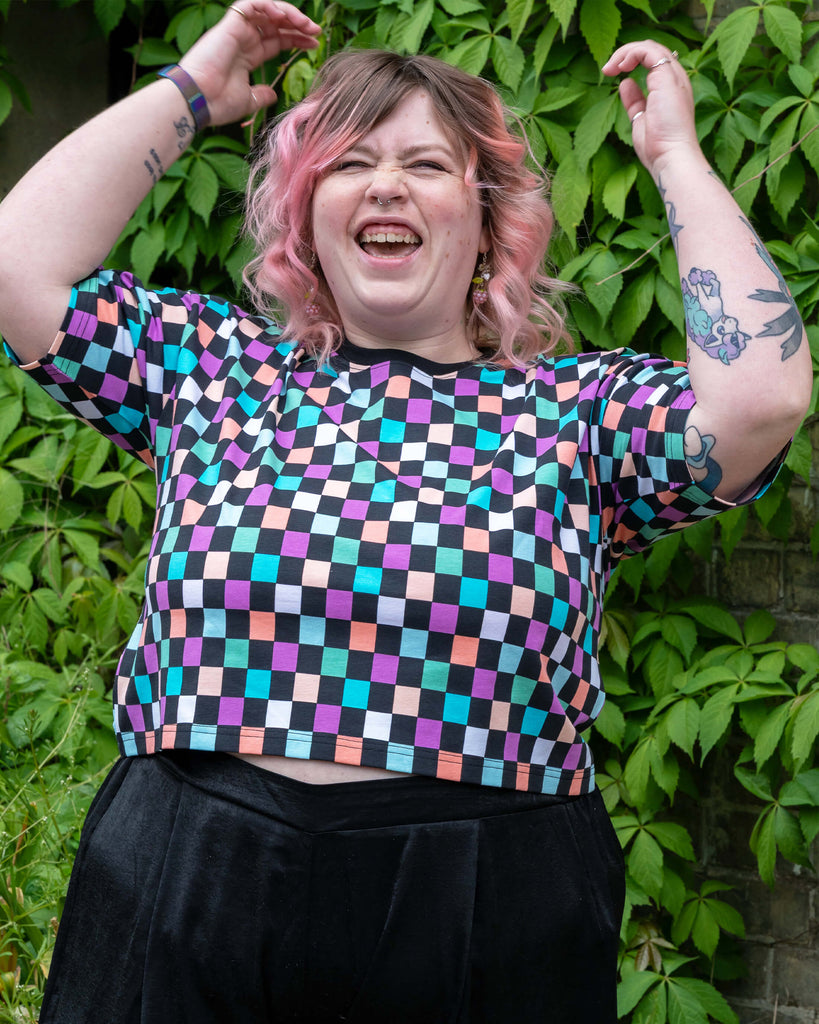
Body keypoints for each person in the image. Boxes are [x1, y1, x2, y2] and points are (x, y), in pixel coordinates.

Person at [0, 2, 809, 1021]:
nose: (386, 183)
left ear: (486, 218)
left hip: (486, 906)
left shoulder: (577, 415)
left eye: (427, 165)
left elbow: (761, 400)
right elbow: (15, 268)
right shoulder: (213, 372)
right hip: (185, 885)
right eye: (349, 162)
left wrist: (677, 158)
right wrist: (193, 93)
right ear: (304, 215)